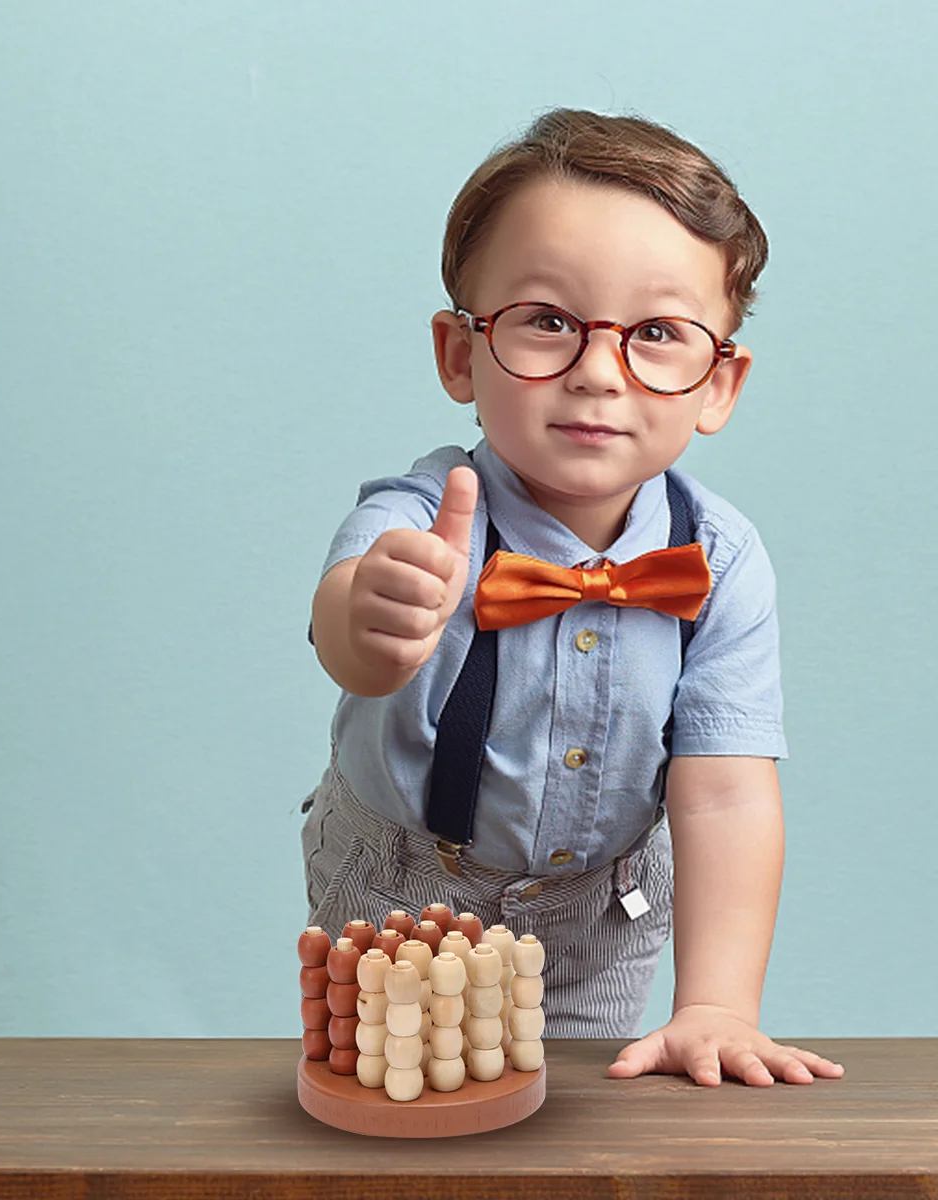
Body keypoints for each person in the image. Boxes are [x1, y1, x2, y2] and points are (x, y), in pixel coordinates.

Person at [302, 108, 844, 1089]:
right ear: (462, 354)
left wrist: (717, 1006)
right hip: (407, 876)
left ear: (719, 383)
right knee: (408, 1088)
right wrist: (377, 619)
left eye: (658, 333)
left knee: (575, 1110)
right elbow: (349, 637)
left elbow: (723, 791)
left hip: (604, 898)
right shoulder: (424, 513)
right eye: (547, 321)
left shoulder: (719, 559)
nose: (598, 372)